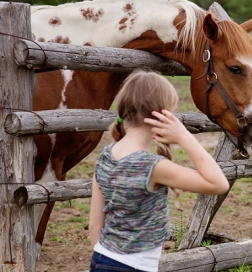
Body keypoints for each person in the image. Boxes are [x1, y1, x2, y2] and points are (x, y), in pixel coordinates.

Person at [88, 70, 229, 272]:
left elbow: (94, 225)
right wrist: (185, 137)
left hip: (101, 258)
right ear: (163, 115)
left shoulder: (106, 154)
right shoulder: (152, 166)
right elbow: (219, 184)